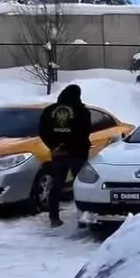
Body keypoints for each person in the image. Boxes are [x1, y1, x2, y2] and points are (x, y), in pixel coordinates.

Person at [38, 84, 92, 226]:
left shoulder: (49, 111)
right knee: (80, 186)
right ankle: (82, 217)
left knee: (56, 186)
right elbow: (85, 131)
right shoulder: (81, 111)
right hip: (78, 154)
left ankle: (54, 218)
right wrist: (71, 147)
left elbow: (43, 131)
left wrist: (55, 146)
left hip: (59, 154)